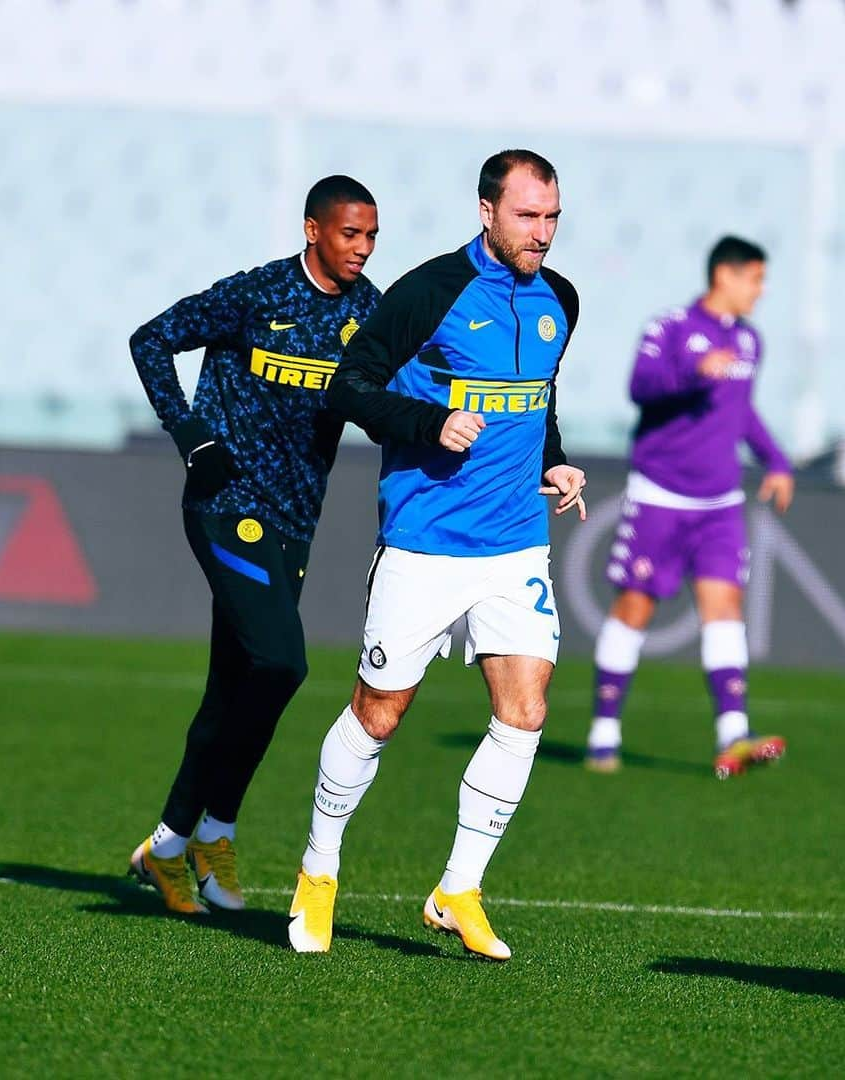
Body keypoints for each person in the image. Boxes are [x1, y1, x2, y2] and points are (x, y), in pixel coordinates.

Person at [286, 150, 587, 961]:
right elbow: (348, 387)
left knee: (524, 714)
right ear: (486, 210)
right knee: (378, 714)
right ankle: (319, 871)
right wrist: (428, 424)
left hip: (515, 546)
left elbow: (536, 399)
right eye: (528, 216)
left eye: (552, 216)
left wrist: (553, 457)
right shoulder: (430, 291)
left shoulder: (560, 300)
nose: (543, 233)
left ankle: (459, 888)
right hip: (424, 544)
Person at [127, 176, 381, 914]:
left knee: (235, 688)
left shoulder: (368, 314)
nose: (361, 248)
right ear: (313, 230)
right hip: (226, 505)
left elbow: (389, 398)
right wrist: (188, 433)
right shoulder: (256, 295)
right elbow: (151, 341)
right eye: (348, 234)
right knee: (282, 662)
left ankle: (171, 847)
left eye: (370, 236)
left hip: (296, 520)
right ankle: (208, 830)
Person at [584, 235, 794, 780]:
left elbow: (742, 413)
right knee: (635, 609)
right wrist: (692, 374)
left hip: (720, 503)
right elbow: (640, 387)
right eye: (756, 278)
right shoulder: (670, 328)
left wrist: (776, 460)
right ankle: (604, 732)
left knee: (725, 609)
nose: (761, 290)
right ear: (725, 275)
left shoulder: (749, 341)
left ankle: (734, 736)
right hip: (660, 495)